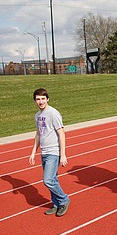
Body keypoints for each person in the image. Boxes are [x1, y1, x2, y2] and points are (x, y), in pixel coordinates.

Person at [29, 88, 70, 216]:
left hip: (54, 152)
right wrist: (33, 153)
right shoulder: (37, 116)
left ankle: (64, 200)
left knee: (48, 180)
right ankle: (56, 204)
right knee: (53, 179)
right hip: (44, 152)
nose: (40, 101)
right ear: (35, 101)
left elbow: (61, 133)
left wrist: (63, 154)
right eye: (38, 99)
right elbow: (38, 134)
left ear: (47, 99)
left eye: (42, 99)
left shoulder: (53, 113)